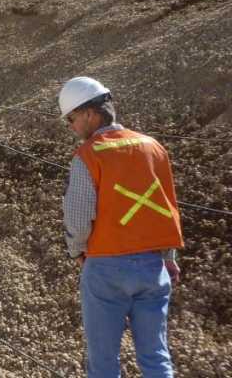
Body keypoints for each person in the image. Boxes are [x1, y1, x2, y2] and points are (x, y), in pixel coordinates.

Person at [59, 77, 183, 377]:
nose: (72, 127)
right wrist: (168, 257)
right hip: (154, 268)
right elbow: (166, 205)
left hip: (105, 268)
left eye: (71, 119)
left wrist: (77, 250)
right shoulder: (153, 147)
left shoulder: (88, 155)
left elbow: (78, 216)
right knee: (155, 356)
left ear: (90, 113)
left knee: (103, 362)